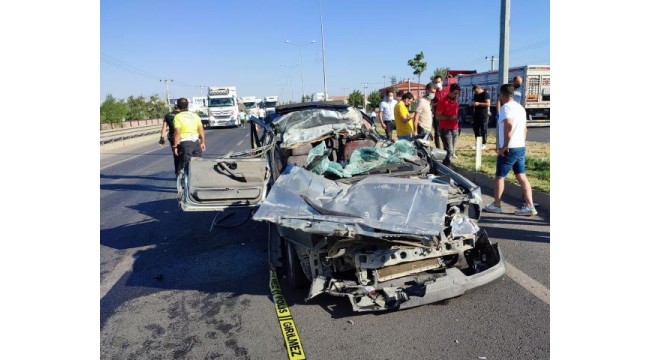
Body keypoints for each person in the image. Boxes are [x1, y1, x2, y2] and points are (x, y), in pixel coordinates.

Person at [484, 84, 537, 216]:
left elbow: (508, 124)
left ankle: (496, 205)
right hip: (520, 146)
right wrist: (521, 142)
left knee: (499, 177)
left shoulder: (506, 107)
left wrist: (505, 146)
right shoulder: (520, 108)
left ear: (502, 95)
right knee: (521, 176)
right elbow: (525, 129)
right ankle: (530, 206)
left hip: (510, 148)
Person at [173, 98, 206, 176]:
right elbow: (201, 130)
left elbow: (177, 133)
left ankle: (184, 182)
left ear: (178, 106)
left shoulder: (178, 117)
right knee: (197, 164)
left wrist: (176, 146)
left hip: (185, 143)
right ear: (187, 106)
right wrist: (202, 142)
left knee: (185, 164)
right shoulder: (195, 116)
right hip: (196, 142)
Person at [435, 83, 461, 166]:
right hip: (445, 129)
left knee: (451, 151)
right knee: (449, 151)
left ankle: (446, 166)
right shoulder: (442, 102)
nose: (456, 95)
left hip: (455, 127)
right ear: (450, 92)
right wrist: (449, 118)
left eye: (457, 94)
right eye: (455, 93)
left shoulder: (455, 102)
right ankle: (448, 168)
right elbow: (437, 116)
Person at [159, 104, 181, 173]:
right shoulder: (184, 114)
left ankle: (177, 172)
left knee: (176, 155)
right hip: (183, 136)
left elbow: (164, 128)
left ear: (174, 108)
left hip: (173, 137)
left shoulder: (168, 115)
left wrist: (162, 139)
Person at [471, 84, 490, 150]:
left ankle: (484, 143)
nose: (475, 93)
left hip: (483, 114)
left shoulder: (485, 94)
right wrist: (473, 103)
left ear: (479, 88)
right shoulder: (475, 95)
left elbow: (488, 104)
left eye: (476, 91)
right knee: (476, 129)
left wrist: (479, 103)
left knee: (483, 129)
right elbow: (475, 102)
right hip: (476, 114)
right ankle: (478, 143)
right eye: (474, 92)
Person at [430, 75, 446, 149]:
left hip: (446, 114)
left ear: (442, 82)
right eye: (436, 82)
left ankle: (446, 148)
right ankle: (438, 149)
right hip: (437, 115)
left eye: (439, 82)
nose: (437, 83)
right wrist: (438, 103)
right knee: (437, 133)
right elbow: (432, 103)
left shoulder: (447, 90)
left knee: (445, 132)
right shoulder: (433, 92)